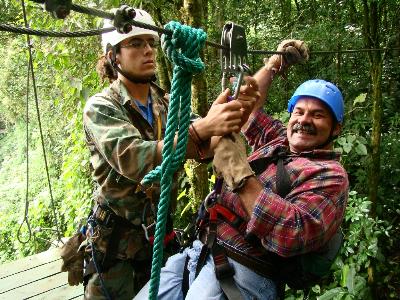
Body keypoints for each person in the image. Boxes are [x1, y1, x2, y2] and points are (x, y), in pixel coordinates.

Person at [135, 40, 349, 300]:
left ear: (336, 128)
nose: (304, 120)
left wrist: (239, 175)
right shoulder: (279, 141)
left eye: (317, 115)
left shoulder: (330, 175)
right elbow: (250, 112)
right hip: (202, 249)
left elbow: (293, 233)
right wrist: (274, 64)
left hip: (245, 271)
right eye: (299, 112)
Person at [80, 7, 259, 300]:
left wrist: (236, 106)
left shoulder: (166, 102)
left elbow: (205, 144)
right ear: (114, 56)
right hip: (116, 248)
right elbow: (133, 158)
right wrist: (201, 130)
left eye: (151, 43)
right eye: (136, 44)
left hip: (159, 241)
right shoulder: (101, 107)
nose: (148, 50)